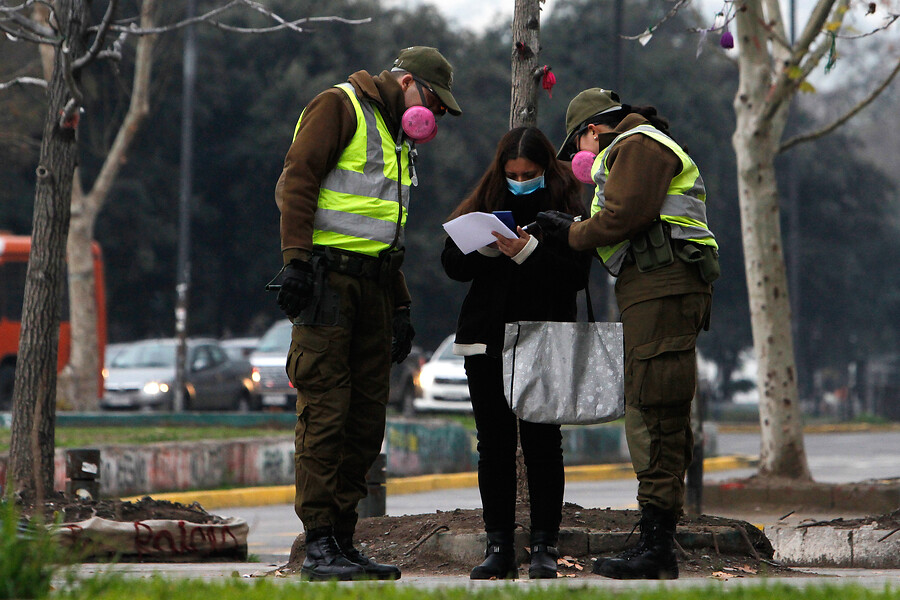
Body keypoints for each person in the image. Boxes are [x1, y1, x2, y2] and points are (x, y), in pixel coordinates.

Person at [274, 46, 462, 581]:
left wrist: (400, 304)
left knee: (365, 421)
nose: (436, 115)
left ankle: (343, 539)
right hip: (328, 285)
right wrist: (295, 261)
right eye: (435, 101)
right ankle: (319, 544)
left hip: (375, 288)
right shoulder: (339, 106)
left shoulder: (398, 138)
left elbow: (383, 231)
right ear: (406, 82)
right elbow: (297, 180)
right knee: (325, 415)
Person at [536, 88, 719, 580]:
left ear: (593, 130)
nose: (578, 157)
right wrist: (579, 227)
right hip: (656, 286)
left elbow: (624, 217)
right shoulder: (639, 145)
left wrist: (572, 232)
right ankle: (657, 537)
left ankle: (657, 547)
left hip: (663, 285)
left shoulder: (636, 144)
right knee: (655, 402)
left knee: (653, 406)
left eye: (577, 144)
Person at [442, 126, 590, 580]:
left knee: (543, 443)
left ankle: (545, 545)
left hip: (543, 338)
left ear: (546, 168)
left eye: (529, 174)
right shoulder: (486, 198)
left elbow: (577, 275)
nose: (521, 181)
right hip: (486, 340)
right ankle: (499, 546)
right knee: (494, 446)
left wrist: (528, 251)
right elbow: (452, 262)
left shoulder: (567, 205)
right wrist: (486, 249)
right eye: (513, 174)